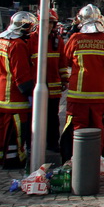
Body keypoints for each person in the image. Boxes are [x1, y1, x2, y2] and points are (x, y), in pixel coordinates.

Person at [62, 4, 104, 159]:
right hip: (99, 93)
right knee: (99, 126)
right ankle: (97, 158)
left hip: (77, 94)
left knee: (77, 126)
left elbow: (66, 60)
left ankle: (76, 157)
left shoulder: (75, 39)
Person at [0, 11, 37, 168]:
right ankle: (15, 159)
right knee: (17, 130)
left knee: (1, 127)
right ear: (24, 27)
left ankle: (0, 156)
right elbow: (21, 73)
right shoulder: (17, 45)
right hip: (15, 96)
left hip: (0, 93)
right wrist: (30, 93)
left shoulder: (0, 42)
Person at [27, 10, 70, 152]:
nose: (50, 26)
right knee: (33, 117)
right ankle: (32, 144)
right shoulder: (31, 40)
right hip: (35, 87)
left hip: (53, 87)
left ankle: (52, 143)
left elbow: (62, 63)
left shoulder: (57, 41)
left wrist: (65, 80)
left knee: (52, 117)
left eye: (52, 23)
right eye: (47, 22)